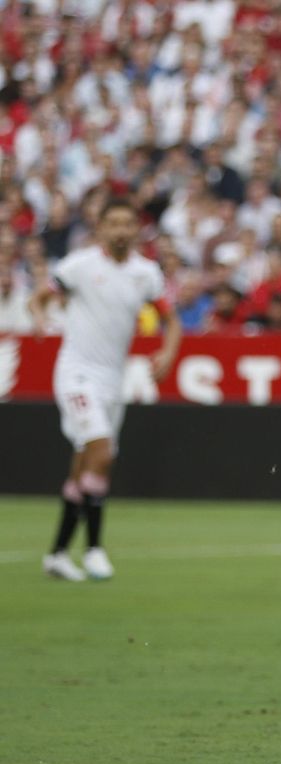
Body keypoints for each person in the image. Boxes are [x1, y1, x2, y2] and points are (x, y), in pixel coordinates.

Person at [30, 197, 181, 581]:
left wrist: (167, 353)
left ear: (136, 230)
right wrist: (39, 316)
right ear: (100, 228)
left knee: (85, 463)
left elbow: (171, 321)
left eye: (126, 223)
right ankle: (94, 549)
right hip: (76, 373)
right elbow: (41, 296)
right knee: (102, 451)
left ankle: (58, 555)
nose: (119, 230)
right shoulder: (79, 266)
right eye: (112, 223)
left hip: (113, 381)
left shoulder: (145, 273)